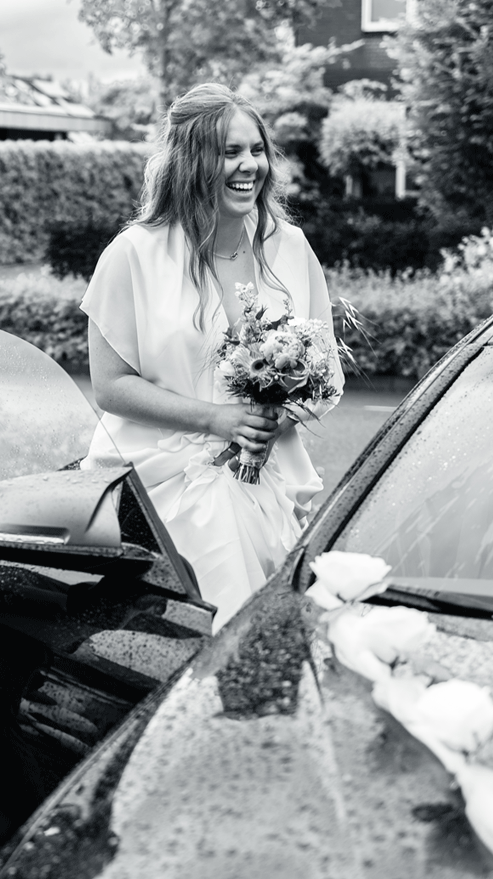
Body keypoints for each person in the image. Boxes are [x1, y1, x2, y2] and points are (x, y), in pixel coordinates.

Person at [82, 83, 344, 629]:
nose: (250, 165)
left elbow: (327, 374)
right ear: (190, 161)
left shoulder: (291, 247)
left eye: (256, 150)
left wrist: (275, 416)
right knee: (216, 630)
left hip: (270, 479)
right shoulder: (133, 254)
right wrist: (217, 420)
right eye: (229, 152)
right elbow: (110, 385)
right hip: (165, 482)